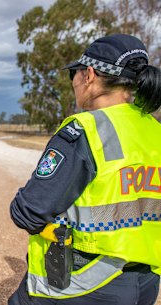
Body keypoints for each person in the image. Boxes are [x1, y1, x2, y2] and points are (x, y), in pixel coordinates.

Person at [8, 34, 161, 305]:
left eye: (73, 76)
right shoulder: (154, 130)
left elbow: (29, 211)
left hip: (87, 280)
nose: (74, 84)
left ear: (88, 75)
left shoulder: (85, 130)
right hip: (147, 281)